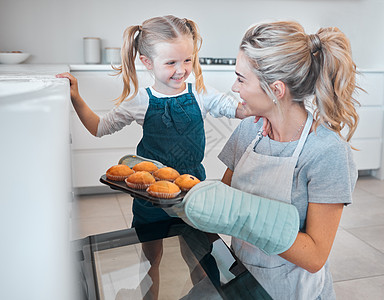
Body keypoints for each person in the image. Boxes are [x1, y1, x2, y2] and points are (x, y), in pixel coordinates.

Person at [57, 15, 246, 299]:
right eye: (171, 62)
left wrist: (260, 104)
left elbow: (235, 109)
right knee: (151, 260)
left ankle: (207, 294)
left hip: (191, 194)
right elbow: (99, 127)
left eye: (187, 60)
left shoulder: (202, 95)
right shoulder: (140, 102)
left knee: (199, 256)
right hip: (150, 198)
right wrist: (76, 98)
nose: (181, 70)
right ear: (147, 62)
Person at [179, 20, 360, 299]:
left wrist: (241, 216)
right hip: (241, 278)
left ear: (276, 90)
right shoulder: (249, 130)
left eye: (241, 79)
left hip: (292, 291)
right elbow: (222, 202)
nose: (234, 88)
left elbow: (314, 256)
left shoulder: (327, 152)